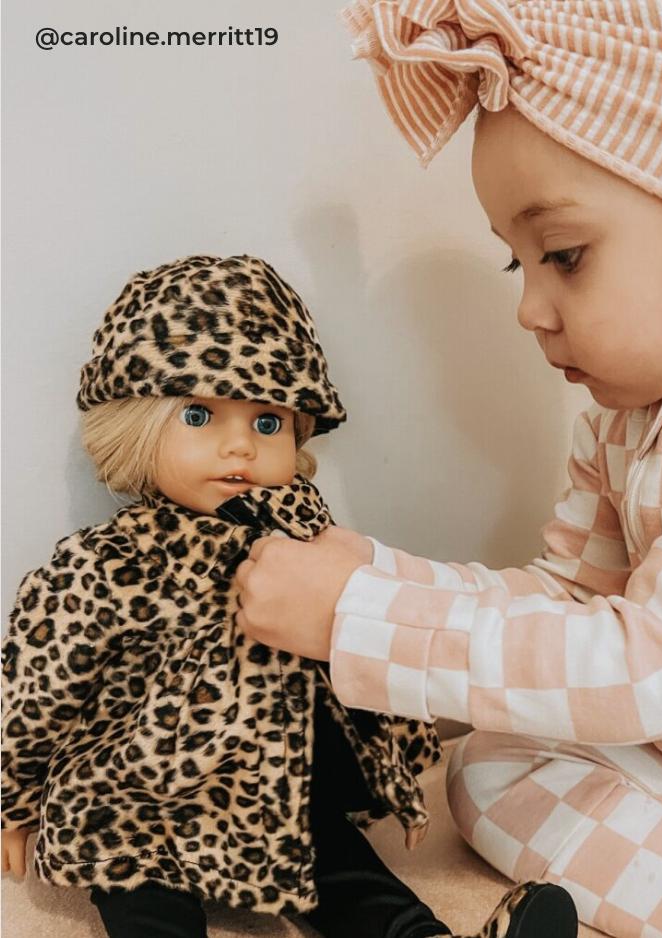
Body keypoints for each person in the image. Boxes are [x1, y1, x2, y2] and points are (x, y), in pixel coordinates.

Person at [230, 2, 662, 938]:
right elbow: (567, 604)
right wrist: (377, 576)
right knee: (491, 764)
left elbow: (653, 664)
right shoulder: (626, 418)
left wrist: (361, 622)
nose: (530, 308)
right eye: (516, 263)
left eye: (563, 256)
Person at [0, 253, 578, 938]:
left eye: (266, 422)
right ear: (137, 421)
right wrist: (15, 801)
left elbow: (369, 636)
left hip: (281, 794)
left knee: (354, 881)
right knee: (141, 897)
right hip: (144, 799)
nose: (239, 447)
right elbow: (40, 685)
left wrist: (398, 768)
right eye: (199, 415)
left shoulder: (310, 540)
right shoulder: (109, 563)